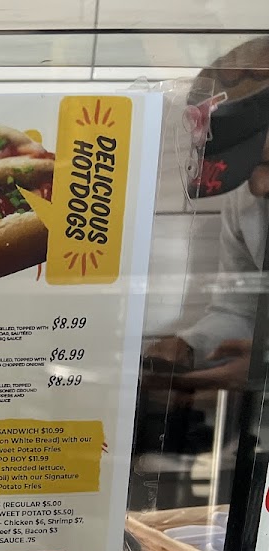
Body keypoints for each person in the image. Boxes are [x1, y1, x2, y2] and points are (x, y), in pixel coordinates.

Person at [144, 37, 269, 391]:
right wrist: (189, 348)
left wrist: (263, 369)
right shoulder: (246, 200)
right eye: (244, 169)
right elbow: (238, 311)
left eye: (264, 163)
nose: (258, 188)